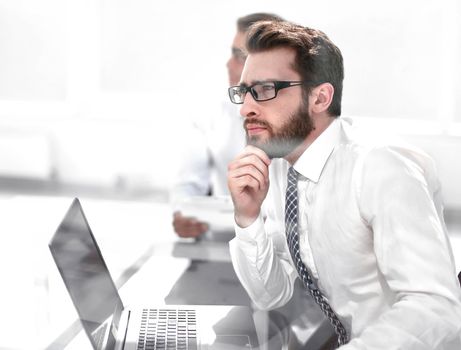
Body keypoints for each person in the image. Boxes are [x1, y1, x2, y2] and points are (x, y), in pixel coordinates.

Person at [227, 20, 461, 349]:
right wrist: (247, 218)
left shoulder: (380, 167)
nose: (246, 108)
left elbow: (437, 310)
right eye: (244, 92)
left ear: (320, 98)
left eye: (265, 90)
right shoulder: (282, 168)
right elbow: (272, 294)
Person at [171, 13, 284, 238]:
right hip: (223, 243)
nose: (228, 65)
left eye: (240, 56)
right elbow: (188, 183)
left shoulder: (296, 118)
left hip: (282, 249)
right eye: (232, 54)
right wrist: (181, 213)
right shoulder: (210, 113)